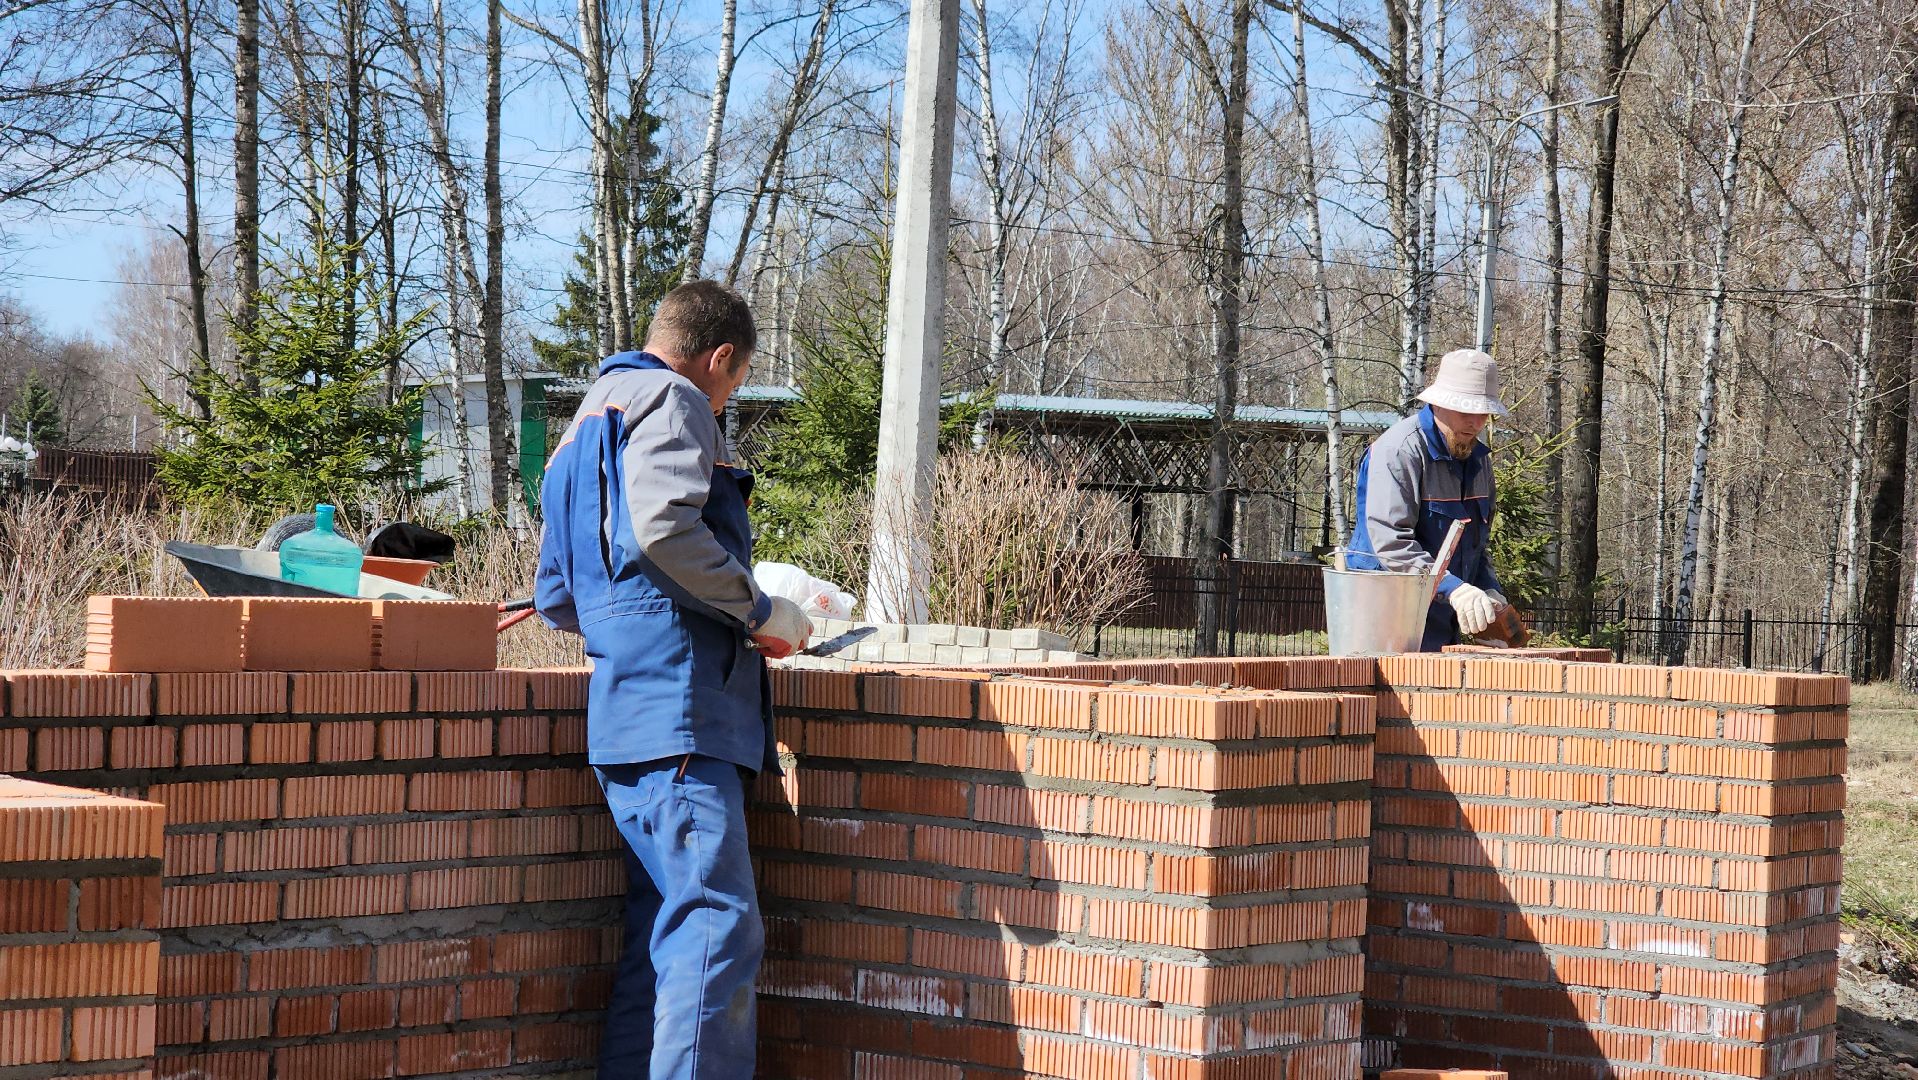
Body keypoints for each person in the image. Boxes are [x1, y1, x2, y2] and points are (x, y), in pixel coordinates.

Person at [533, 279, 812, 1078]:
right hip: (686, 713)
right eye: (736, 381)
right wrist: (760, 610)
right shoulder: (677, 399)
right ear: (720, 357)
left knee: (666, 933)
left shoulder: (588, 416)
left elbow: (557, 593)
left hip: (623, 715)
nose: (726, 401)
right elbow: (662, 525)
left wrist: (628, 624)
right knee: (717, 928)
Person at [1344, 347, 1512, 651]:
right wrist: (1455, 588)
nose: (1475, 423)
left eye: (1483, 413)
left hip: (1442, 622)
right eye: (1466, 412)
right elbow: (1392, 544)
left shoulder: (1478, 459)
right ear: (1438, 404)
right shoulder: (1398, 452)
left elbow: (1476, 543)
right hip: (1386, 624)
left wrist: (1487, 587)